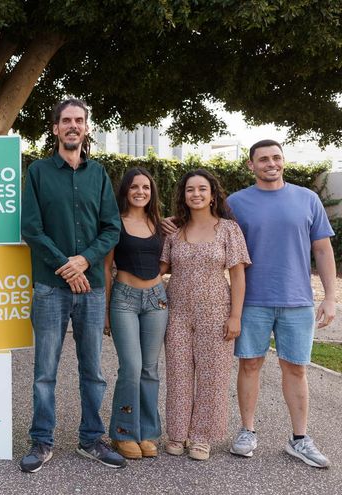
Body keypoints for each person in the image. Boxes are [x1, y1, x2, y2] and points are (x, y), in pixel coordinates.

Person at [20, 98, 124, 472]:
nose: (73, 126)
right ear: (55, 128)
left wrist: (85, 260)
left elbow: (112, 227)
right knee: (45, 369)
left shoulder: (98, 174)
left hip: (92, 287)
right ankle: (42, 440)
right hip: (50, 287)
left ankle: (91, 439)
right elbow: (30, 228)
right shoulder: (37, 172)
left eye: (79, 120)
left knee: (92, 369)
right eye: (66, 120)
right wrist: (67, 265)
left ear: (86, 128)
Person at [227, 140, 335, 468]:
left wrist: (330, 298)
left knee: (296, 368)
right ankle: (247, 431)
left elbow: (322, 250)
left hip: (297, 301)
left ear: (283, 160)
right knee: (249, 365)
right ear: (251, 165)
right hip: (252, 300)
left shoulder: (308, 198)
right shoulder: (235, 203)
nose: (270, 163)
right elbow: (206, 228)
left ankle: (299, 440)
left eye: (276, 157)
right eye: (263, 159)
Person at [159, 169, 250, 461]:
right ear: (183, 196)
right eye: (189, 190)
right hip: (178, 313)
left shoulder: (228, 229)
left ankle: (201, 437)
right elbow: (159, 270)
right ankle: (177, 433)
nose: (195, 194)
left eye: (201, 189)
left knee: (213, 377)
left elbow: (238, 276)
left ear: (212, 195)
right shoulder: (174, 231)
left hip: (216, 312)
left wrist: (235, 316)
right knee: (178, 374)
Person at [102, 167, 167, 460]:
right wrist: (105, 310)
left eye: (146, 187)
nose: (141, 192)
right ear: (125, 191)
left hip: (156, 301)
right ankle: (123, 433)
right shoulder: (115, 223)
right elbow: (105, 268)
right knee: (130, 367)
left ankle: (148, 433)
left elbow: (167, 260)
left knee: (149, 369)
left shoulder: (160, 225)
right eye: (134, 187)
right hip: (124, 299)